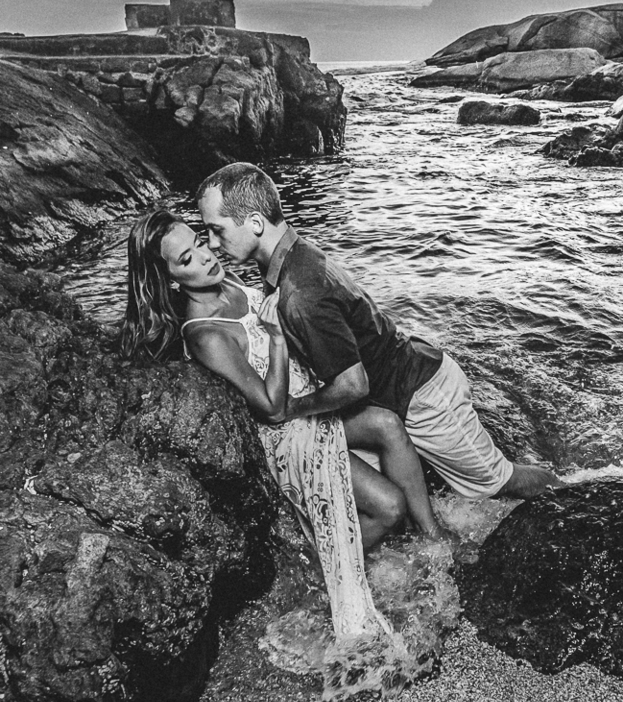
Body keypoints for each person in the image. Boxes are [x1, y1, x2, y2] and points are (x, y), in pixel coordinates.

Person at [118, 210, 445, 645]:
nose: (205, 256)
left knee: (387, 423)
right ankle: (322, 568)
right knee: (388, 507)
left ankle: (435, 540)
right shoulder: (205, 334)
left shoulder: (229, 283)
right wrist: (275, 337)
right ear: (168, 278)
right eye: (186, 259)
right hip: (284, 435)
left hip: (303, 405)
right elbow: (271, 409)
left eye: (198, 241)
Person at [196, 162, 560, 500]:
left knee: (500, 482)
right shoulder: (290, 256)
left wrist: (295, 408)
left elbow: (353, 385)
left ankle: (572, 490)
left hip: (423, 396)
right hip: (403, 386)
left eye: (217, 230)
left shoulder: (301, 292)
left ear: (255, 223)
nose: (212, 243)